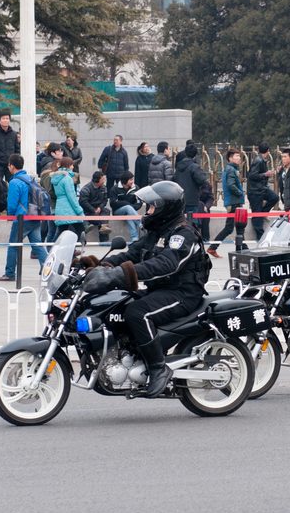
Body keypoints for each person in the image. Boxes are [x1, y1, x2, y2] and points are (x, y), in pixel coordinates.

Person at [82, 181, 211, 398]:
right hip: (161, 290)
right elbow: (131, 254)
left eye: (151, 207)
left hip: (182, 293)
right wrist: (98, 265)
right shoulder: (156, 232)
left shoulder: (183, 234)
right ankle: (131, 354)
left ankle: (158, 367)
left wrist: (123, 273)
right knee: (119, 304)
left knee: (137, 312)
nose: (147, 211)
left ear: (165, 207)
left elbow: (168, 264)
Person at [0, 154, 49, 282]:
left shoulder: (15, 182)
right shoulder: (30, 179)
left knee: (13, 245)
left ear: (11, 166)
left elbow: (12, 203)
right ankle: (48, 269)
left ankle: (9, 273)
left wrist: (10, 216)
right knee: (37, 245)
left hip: (22, 219)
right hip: (35, 216)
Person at [207, 148, 245, 258]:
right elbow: (231, 185)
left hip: (233, 202)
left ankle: (241, 250)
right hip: (234, 203)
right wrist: (240, 193)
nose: (238, 158)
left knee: (239, 228)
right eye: (236, 156)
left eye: (239, 156)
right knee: (231, 228)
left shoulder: (230, 169)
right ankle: (212, 248)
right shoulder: (231, 170)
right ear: (230, 158)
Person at [173, 142, 208, 231]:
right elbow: (202, 180)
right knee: (193, 223)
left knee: (181, 222)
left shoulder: (178, 167)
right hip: (192, 199)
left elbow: (173, 180)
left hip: (180, 199)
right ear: (195, 155)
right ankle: (192, 240)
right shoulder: (194, 166)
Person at [247, 143, 279, 239]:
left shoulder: (262, 160)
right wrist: (265, 174)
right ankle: (260, 236)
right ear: (267, 151)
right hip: (255, 191)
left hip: (261, 189)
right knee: (257, 215)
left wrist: (270, 173)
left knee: (274, 197)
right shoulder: (258, 161)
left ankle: (263, 213)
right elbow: (252, 175)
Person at [51, 157, 86, 240]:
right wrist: (79, 210)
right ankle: (79, 248)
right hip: (69, 208)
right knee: (80, 230)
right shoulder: (67, 178)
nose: (73, 167)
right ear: (68, 166)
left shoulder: (56, 178)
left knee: (62, 232)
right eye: (72, 165)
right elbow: (71, 196)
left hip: (60, 206)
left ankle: (52, 248)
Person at [80, 172, 112, 242]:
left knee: (106, 211)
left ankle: (104, 235)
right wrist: (93, 210)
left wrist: (100, 207)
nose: (104, 181)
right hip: (88, 211)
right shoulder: (86, 189)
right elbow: (83, 202)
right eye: (103, 179)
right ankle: (104, 232)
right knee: (103, 222)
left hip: (99, 209)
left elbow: (105, 200)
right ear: (97, 180)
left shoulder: (103, 187)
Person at [110, 171, 142, 242]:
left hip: (131, 212)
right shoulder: (115, 189)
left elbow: (139, 203)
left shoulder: (136, 188)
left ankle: (134, 238)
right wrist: (126, 204)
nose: (132, 181)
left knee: (129, 214)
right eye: (130, 180)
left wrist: (130, 208)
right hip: (117, 211)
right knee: (127, 208)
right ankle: (140, 223)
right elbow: (113, 203)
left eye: (132, 179)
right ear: (125, 181)